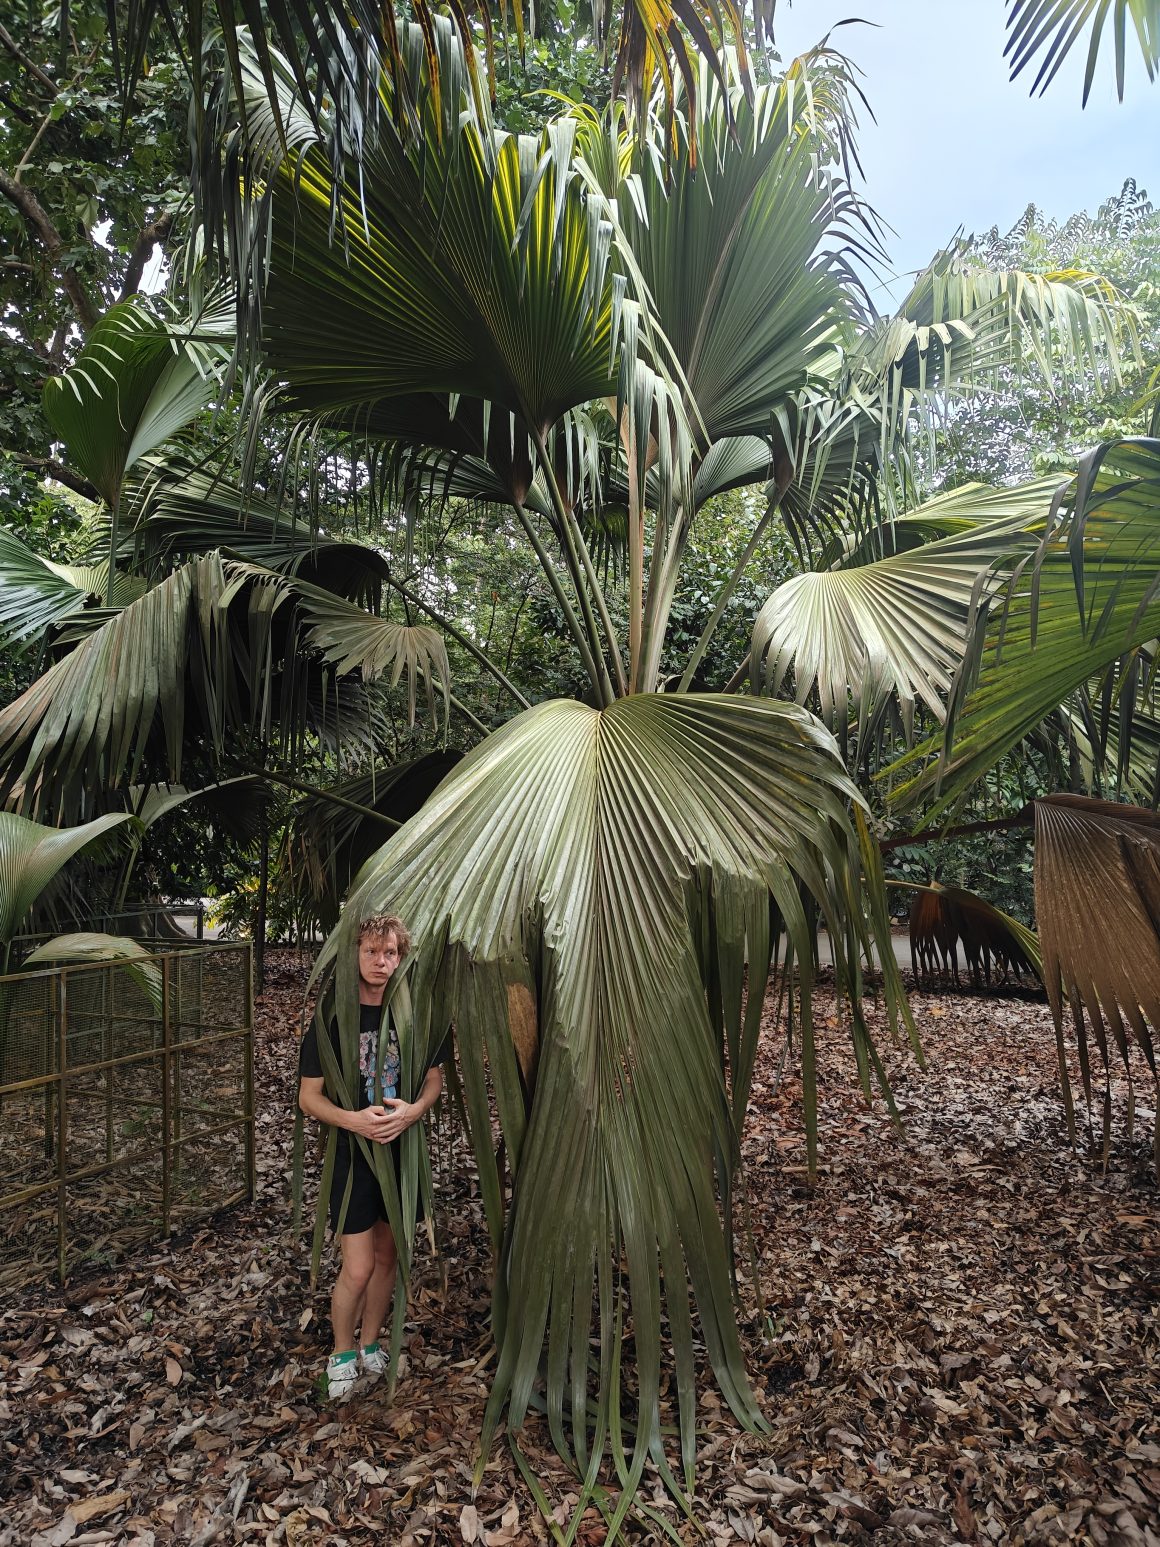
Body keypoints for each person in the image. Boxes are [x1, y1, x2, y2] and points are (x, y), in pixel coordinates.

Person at [297, 912, 443, 1400]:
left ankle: (371, 1343)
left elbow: (433, 1079)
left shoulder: (413, 1011)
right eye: (371, 952)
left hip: (403, 1153)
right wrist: (353, 1119)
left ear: (400, 957)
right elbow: (309, 1097)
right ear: (354, 955)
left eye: (390, 953)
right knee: (356, 1268)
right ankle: (341, 1354)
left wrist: (413, 1112)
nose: (382, 962)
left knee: (388, 1258)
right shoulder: (333, 1016)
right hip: (354, 1155)